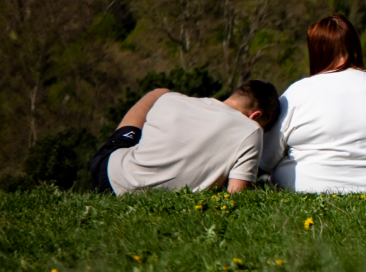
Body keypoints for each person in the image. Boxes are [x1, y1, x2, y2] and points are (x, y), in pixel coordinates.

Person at [271, 14, 366, 192]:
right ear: (356, 46)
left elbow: (269, 157)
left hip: (311, 190)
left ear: (314, 52)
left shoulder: (296, 93)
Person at [89, 80, 280, 194]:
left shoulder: (170, 99)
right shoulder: (251, 130)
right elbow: (236, 194)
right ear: (255, 116)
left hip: (111, 177)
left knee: (159, 92)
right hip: (163, 200)